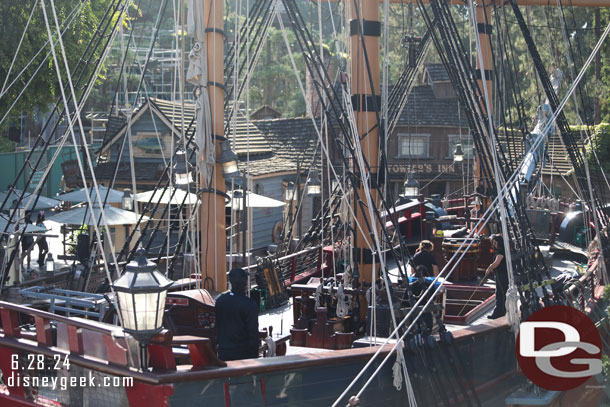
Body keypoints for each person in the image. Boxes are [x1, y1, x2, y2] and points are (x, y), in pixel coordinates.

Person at [215, 268, 260, 361]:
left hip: (223, 353)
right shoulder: (249, 304)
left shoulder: (220, 300)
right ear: (245, 283)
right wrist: (255, 358)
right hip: (242, 355)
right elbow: (253, 333)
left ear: (230, 281)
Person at [483, 235, 509, 319]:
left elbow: (496, 263)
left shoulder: (501, 251)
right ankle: (502, 311)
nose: (493, 245)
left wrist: (489, 268)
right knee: (501, 293)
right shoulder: (502, 250)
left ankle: (499, 313)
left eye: (495, 243)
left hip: (502, 275)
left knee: (500, 293)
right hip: (501, 274)